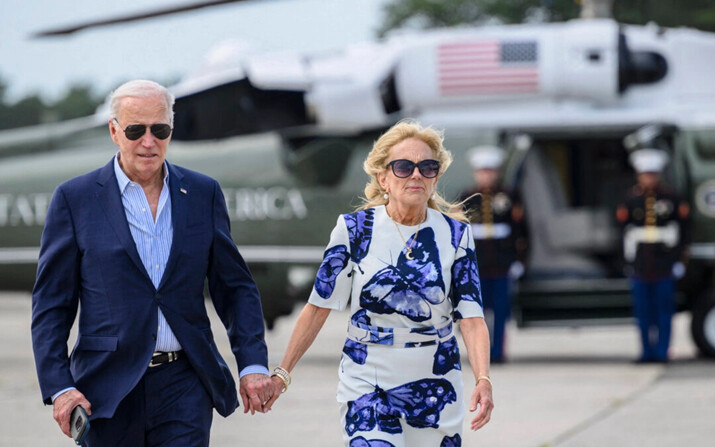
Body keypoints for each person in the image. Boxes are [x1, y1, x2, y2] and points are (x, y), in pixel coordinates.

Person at [31, 80, 273, 446]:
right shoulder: (74, 199)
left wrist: (252, 363)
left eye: (159, 130)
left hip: (185, 383)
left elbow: (235, 288)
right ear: (114, 131)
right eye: (135, 130)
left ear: (171, 130)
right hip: (106, 388)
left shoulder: (203, 193)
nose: (149, 141)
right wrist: (60, 386)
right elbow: (51, 306)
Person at [266, 121, 494, 446]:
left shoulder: (456, 235)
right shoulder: (354, 230)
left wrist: (483, 378)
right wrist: (282, 374)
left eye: (427, 167)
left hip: (435, 381)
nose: (416, 175)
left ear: (436, 177)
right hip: (367, 377)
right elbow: (319, 307)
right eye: (403, 167)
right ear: (383, 177)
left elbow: (471, 318)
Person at [616, 148, 690, 363]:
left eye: (652, 174)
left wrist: (679, 260)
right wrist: (626, 262)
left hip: (664, 263)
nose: (648, 179)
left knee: (663, 312)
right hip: (640, 263)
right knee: (643, 313)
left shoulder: (672, 198)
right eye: (645, 175)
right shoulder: (631, 200)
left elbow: (683, 232)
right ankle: (646, 351)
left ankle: (662, 351)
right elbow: (623, 233)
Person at [458, 146, 527, 363]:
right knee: (475, 312)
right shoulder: (467, 196)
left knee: (500, 311)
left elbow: (522, 230)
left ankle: (497, 352)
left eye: (490, 171)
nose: (486, 176)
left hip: (502, 262)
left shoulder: (509, 195)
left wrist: (519, 260)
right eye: (482, 172)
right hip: (476, 264)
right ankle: (478, 353)